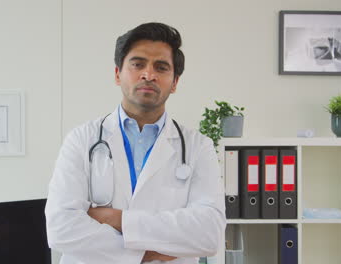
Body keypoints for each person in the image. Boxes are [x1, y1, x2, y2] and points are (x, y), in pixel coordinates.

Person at [45, 22, 226, 264]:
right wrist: (145, 253)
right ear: (118, 74)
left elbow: (208, 235)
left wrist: (116, 219)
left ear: (174, 83)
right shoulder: (81, 140)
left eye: (161, 67)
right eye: (138, 64)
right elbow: (61, 229)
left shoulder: (198, 147)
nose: (148, 75)